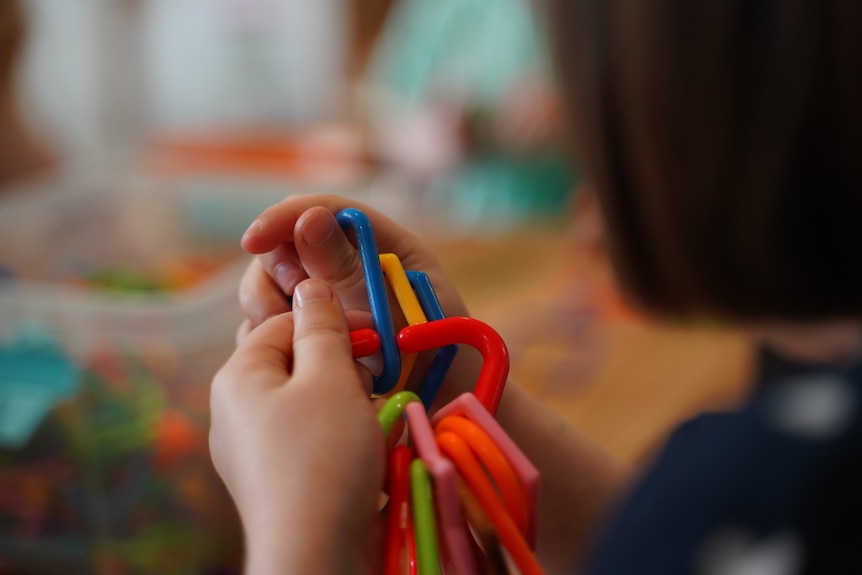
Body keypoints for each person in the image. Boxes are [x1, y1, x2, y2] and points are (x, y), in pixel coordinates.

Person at [209, 0, 862, 573]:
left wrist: (300, 534)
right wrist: (456, 376)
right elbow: (654, 546)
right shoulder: (752, 485)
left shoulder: (776, 486)